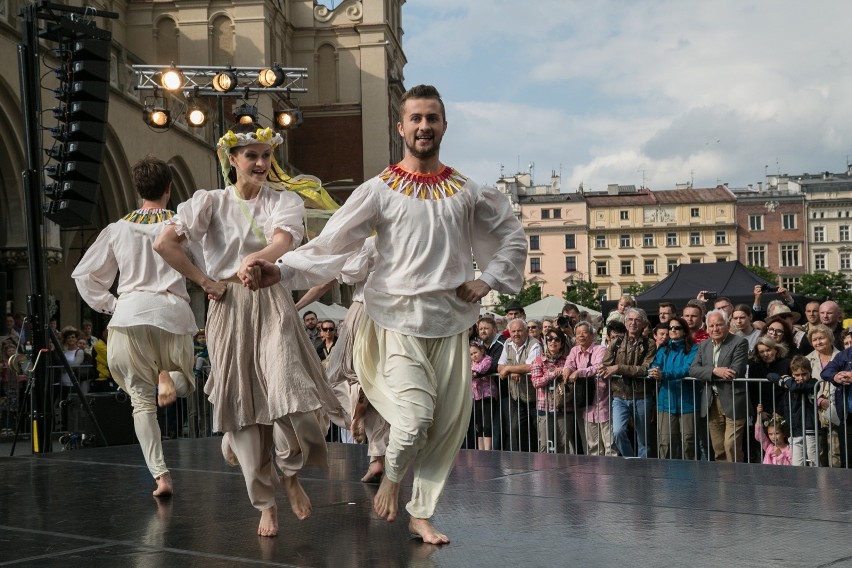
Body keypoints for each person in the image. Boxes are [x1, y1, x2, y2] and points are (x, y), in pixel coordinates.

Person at [244, 85, 526, 543]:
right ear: (401, 127)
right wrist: (279, 269)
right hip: (396, 323)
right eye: (415, 118)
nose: (423, 126)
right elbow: (334, 243)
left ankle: (421, 513)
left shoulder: (467, 191)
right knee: (413, 419)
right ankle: (393, 476)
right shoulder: (378, 189)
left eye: (432, 118)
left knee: (448, 428)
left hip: (451, 323)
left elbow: (512, 236)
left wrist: (487, 280)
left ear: (444, 126)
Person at [154, 123, 345, 537]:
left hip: (272, 297)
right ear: (232, 160)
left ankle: (291, 474)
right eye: (251, 156)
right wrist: (204, 281)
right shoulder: (209, 202)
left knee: (291, 393)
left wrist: (256, 259)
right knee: (244, 408)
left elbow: (282, 240)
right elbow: (164, 244)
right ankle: (265, 503)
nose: (260, 163)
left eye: (265, 155)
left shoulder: (283, 199)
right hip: (228, 303)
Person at [72, 156, 198, 497]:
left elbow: (84, 276)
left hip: (129, 316)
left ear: (136, 189)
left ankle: (162, 477)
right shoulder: (182, 226)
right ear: (169, 189)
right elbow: (208, 263)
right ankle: (168, 376)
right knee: (186, 384)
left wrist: (113, 305)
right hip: (171, 313)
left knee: (142, 404)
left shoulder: (117, 229)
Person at [689, 309, 749, 463]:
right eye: (711, 325)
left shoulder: (739, 342)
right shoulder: (703, 346)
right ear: (707, 328)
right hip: (711, 401)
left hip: (733, 400)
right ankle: (724, 483)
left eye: (719, 325)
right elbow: (693, 369)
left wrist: (711, 373)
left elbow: (735, 370)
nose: (715, 329)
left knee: (731, 446)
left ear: (727, 325)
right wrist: (715, 371)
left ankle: (739, 479)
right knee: (719, 448)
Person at [597, 307, 657, 458]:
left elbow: (644, 369)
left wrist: (618, 368)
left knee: (643, 439)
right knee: (617, 432)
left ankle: (644, 468)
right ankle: (631, 460)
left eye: (637, 320)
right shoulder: (617, 342)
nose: (633, 323)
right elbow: (606, 363)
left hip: (641, 395)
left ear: (644, 324)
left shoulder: (649, 344)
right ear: (625, 322)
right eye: (630, 319)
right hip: (619, 395)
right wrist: (602, 369)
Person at [649, 316, 700, 460]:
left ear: (684, 331)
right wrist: (654, 370)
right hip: (666, 401)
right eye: (670, 328)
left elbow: (687, 369)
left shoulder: (694, 349)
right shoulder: (664, 350)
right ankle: (666, 477)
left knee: (688, 443)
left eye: (677, 328)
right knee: (665, 443)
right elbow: (655, 364)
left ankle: (691, 477)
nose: (672, 330)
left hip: (688, 401)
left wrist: (664, 374)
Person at [566, 321, 612, 456]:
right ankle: (597, 474)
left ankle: (612, 474)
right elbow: (569, 363)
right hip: (586, 403)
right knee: (593, 446)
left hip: (602, 401)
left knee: (609, 445)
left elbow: (598, 367)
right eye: (578, 333)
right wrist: (567, 369)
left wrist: (579, 372)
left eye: (584, 332)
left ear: (592, 335)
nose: (581, 336)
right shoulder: (574, 350)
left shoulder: (600, 349)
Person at [498, 318, 541, 452]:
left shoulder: (535, 344)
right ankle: (523, 459)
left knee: (535, 429)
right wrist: (512, 371)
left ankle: (536, 460)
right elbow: (500, 366)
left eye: (519, 331)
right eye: (513, 331)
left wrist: (509, 369)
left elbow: (531, 366)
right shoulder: (508, 343)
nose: (516, 334)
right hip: (516, 396)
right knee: (516, 429)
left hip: (534, 397)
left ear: (526, 331)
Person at [530, 327, 574, 454]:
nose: (553, 342)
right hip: (544, 408)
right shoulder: (538, 361)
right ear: (545, 342)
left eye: (557, 339)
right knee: (544, 445)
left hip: (564, 408)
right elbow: (536, 382)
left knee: (563, 444)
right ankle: (545, 473)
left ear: (561, 343)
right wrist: (553, 374)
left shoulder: (568, 362)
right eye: (549, 339)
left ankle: (563, 473)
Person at [768, 355, 817, 466]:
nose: (801, 378)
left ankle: (818, 483)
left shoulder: (813, 383)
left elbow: (795, 388)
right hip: (794, 432)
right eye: (797, 375)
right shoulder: (790, 385)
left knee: (814, 463)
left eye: (804, 374)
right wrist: (783, 382)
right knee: (796, 465)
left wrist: (787, 380)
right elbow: (770, 375)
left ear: (810, 372)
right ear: (792, 374)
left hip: (810, 431)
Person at [806, 324, 842, 467]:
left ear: (830, 339)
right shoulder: (807, 360)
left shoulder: (841, 357)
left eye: (822, 338)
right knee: (819, 450)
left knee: (835, 449)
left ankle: (837, 483)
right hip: (813, 411)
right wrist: (818, 401)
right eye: (814, 339)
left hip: (836, 409)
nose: (818, 342)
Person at [469, 341, 497, 450]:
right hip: (476, 396)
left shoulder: (487, 359)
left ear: (482, 351)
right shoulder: (471, 364)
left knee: (487, 423)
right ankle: (481, 450)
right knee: (478, 424)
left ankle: (487, 449)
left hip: (487, 395)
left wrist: (473, 373)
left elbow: (483, 368)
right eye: (471, 354)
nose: (473, 356)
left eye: (475, 352)